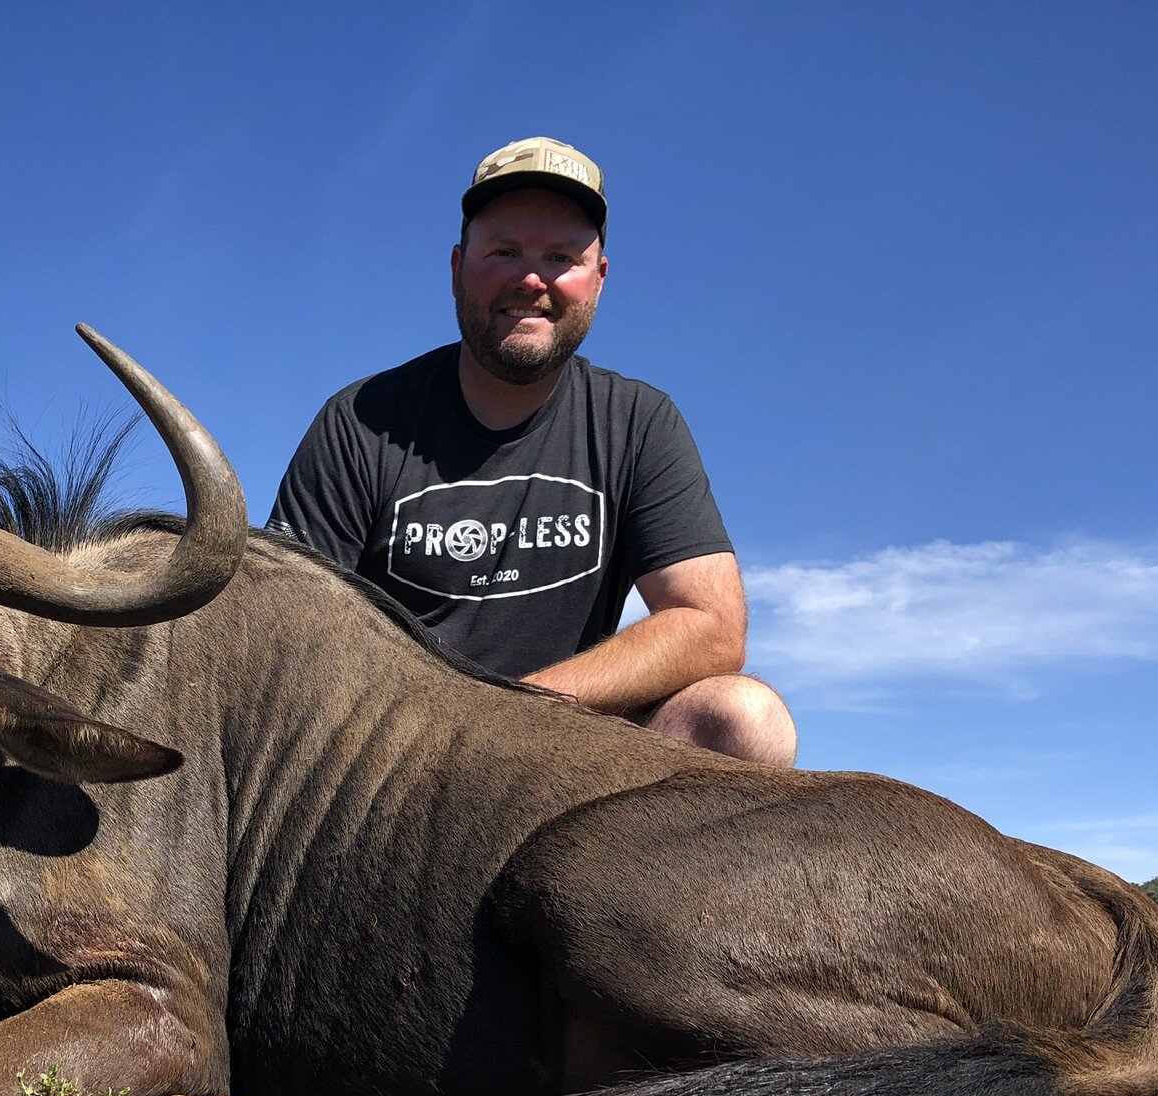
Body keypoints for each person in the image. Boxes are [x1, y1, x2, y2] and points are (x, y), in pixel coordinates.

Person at [269, 136, 796, 767]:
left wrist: (513, 712)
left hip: (562, 750)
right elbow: (285, 633)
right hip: (396, 761)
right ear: (459, 265)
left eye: (560, 256)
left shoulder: (638, 421)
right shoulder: (358, 421)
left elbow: (709, 625)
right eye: (504, 251)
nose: (530, 278)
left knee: (745, 718)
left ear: (598, 279)